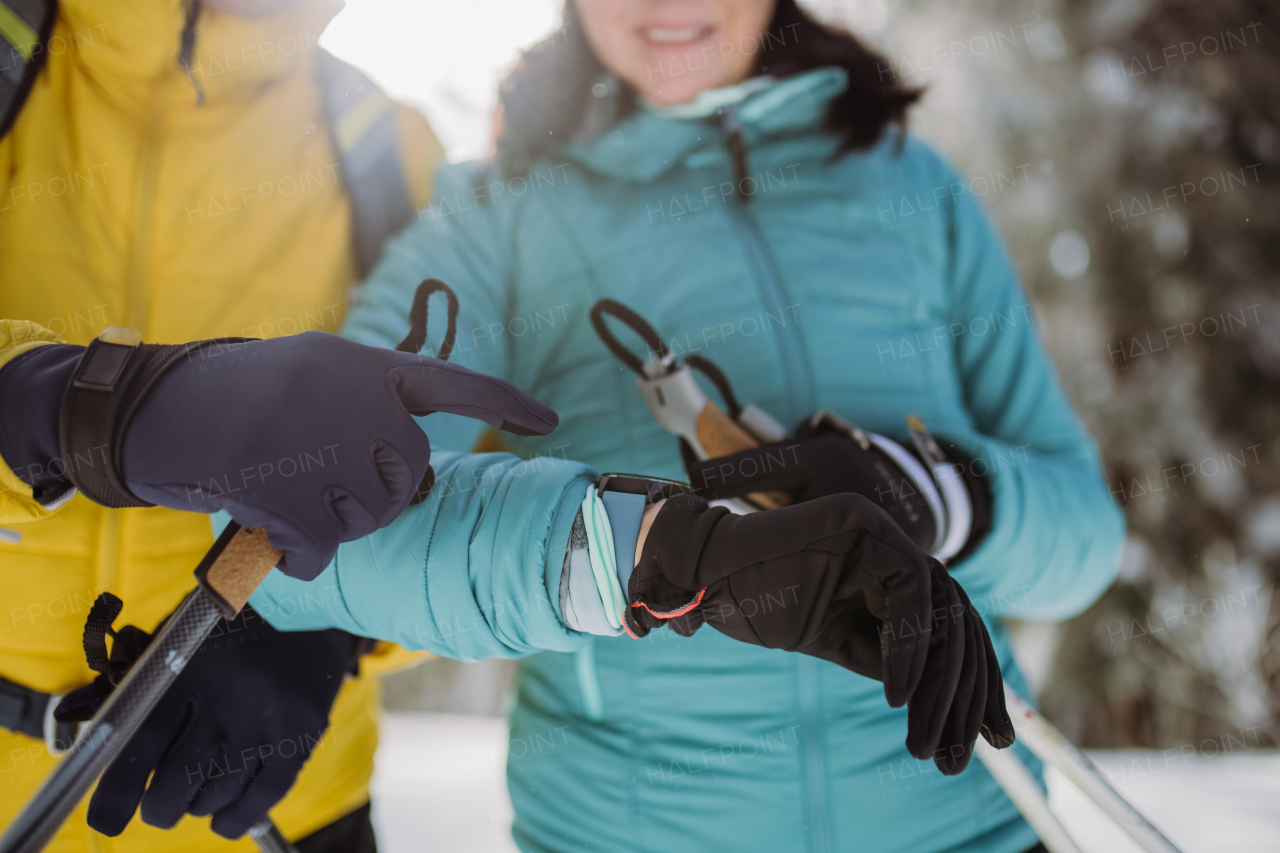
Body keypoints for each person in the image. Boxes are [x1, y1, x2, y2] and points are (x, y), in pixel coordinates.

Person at [248, 1, 1126, 851]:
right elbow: (302, 520)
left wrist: (940, 494)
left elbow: (1085, 533)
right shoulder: (499, 219)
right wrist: (650, 552)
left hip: (973, 823)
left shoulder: (910, 183)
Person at [0, 0, 494, 849]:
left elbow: (454, 466)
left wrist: (330, 629)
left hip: (281, 817)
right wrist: (73, 411)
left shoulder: (388, 149)